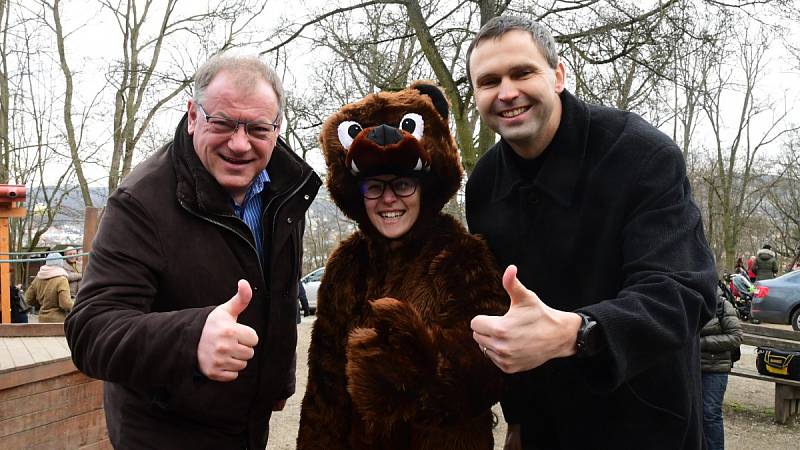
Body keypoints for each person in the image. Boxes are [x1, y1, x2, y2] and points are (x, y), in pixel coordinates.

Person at [464, 16, 717, 449]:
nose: (506, 92)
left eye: (522, 72)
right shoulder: (484, 185)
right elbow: (510, 313)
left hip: (645, 423)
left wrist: (578, 332)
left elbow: (682, 292)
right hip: (548, 428)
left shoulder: (641, 154)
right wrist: (519, 419)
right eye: (489, 81)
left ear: (558, 76)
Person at [64, 53, 321, 449]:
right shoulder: (140, 202)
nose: (239, 144)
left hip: (247, 427)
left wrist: (276, 379)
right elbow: (90, 330)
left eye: (256, 128)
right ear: (192, 116)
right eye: (221, 123)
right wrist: (191, 339)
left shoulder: (285, 192)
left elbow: (280, 296)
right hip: (164, 432)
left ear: (276, 128)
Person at [297, 83, 508, 449]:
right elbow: (324, 392)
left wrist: (420, 367)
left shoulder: (462, 256)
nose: (389, 199)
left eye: (402, 184)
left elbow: (493, 367)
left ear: (423, 187)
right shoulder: (345, 267)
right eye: (375, 187)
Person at [700, 292, 743, 450]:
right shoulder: (685, 300)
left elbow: (736, 337)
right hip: (689, 367)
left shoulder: (722, 305)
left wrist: (702, 343)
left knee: (709, 413)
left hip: (714, 367)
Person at [25, 253, 73, 323]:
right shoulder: (61, 279)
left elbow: (28, 299)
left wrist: (41, 304)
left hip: (42, 320)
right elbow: (65, 304)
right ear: (61, 263)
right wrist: (75, 305)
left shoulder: (38, 277)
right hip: (58, 321)